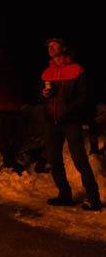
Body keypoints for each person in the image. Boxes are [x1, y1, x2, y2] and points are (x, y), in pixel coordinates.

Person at [41, 38, 101, 211]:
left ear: (64, 47)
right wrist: (44, 95)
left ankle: (94, 198)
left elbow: (84, 97)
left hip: (71, 121)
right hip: (51, 122)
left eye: (54, 44)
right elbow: (41, 97)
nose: (50, 48)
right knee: (54, 159)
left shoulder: (77, 70)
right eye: (49, 45)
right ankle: (64, 194)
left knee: (79, 160)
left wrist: (68, 109)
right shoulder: (47, 72)